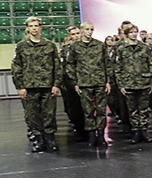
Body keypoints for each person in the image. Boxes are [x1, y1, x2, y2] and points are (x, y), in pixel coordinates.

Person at [11, 16, 62, 152]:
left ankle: (50, 139)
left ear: (40, 28)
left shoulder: (50, 45)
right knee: (33, 114)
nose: (34, 28)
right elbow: (17, 67)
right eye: (31, 26)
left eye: (36, 26)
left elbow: (57, 66)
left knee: (49, 114)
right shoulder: (21, 46)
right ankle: (39, 140)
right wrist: (20, 86)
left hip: (47, 85)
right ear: (27, 28)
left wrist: (56, 84)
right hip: (30, 86)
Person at [66, 21, 111, 148]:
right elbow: (70, 65)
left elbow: (107, 63)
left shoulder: (99, 45)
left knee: (101, 110)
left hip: (100, 81)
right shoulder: (75, 47)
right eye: (87, 29)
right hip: (84, 82)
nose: (89, 32)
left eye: (91, 29)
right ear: (81, 30)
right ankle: (91, 135)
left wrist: (107, 81)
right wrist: (75, 82)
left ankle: (101, 136)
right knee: (88, 111)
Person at [115, 23, 152, 144]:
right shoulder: (121, 48)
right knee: (132, 109)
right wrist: (121, 84)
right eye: (131, 32)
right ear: (127, 34)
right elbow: (118, 67)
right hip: (128, 82)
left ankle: (144, 131)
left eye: (135, 31)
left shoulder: (145, 47)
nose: (134, 34)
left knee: (143, 109)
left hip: (143, 82)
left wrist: (151, 81)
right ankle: (136, 131)